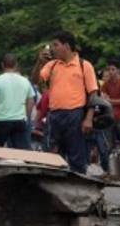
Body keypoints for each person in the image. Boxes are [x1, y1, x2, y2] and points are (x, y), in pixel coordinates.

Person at [31, 31, 98, 174]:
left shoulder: (84, 65)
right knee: (50, 155)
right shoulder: (52, 65)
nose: (53, 49)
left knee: (76, 157)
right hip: (54, 115)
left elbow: (93, 94)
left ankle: (78, 191)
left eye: (56, 45)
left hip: (75, 115)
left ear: (66, 46)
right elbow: (35, 81)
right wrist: (39, 62)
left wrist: (89, 118)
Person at [0, 53, 34, 149]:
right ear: (16, 65)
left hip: (1, 120)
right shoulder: (25, 81)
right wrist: (26, 116)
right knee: (20, 151)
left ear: (2, 65)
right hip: (19, 120)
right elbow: (31, 101)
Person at [101, 62, 120, 147]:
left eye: (113, 69)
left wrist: (110, 100)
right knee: (109, 143)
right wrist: (115, 101)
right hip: (110, 117)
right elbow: (104, 100)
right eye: (109, 69)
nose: (111, 71)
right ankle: (111, 159)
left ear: (118, 70)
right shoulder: (106, 84)